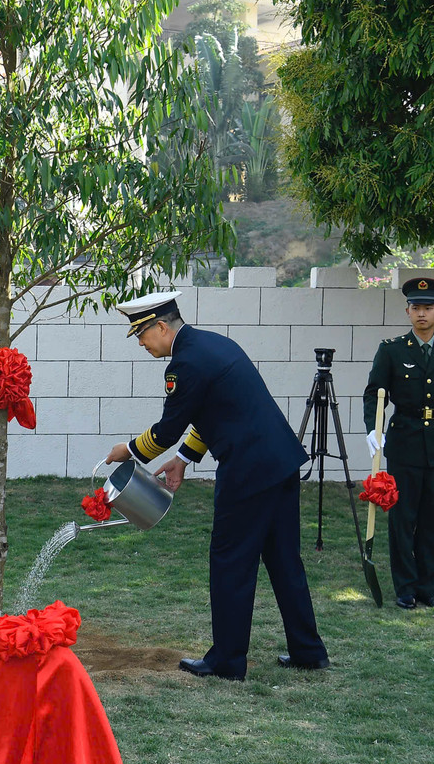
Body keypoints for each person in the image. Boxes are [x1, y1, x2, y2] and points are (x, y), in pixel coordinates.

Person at [102, 291, 329, 681]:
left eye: (141, 334)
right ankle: (308, 651)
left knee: (230, 561)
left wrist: (128, 449)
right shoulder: (214, 344)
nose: (140, 343)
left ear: (161, 326)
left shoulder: (184, 363)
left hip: (248, 471)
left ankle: (226, 660)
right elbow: (215, 412)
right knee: (284, 560)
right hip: (280, 462)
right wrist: (185, 459)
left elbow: (166, 430)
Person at [363, 277, 434, 610]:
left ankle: (428, 587)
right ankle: (406, 588)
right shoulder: (392, 349)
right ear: (407, 311)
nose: (421, 314)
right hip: (404, 441)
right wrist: (373, 428)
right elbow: (373, 392)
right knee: (402, 518)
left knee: (433, 518)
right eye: (416, 308)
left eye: (428, 308)